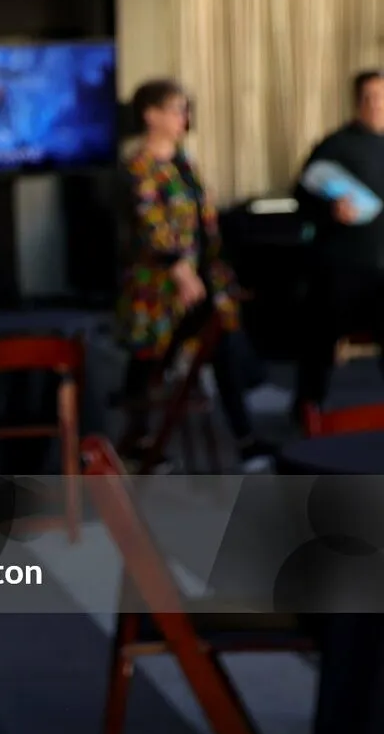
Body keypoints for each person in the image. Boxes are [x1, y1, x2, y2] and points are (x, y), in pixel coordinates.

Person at [114, 80, 274, 471]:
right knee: (151, 359)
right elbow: (151, 224)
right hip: (161, 285)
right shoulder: (139, 166)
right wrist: (181, 271)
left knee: (221, 343)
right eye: (175, 109)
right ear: (151, 115)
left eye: (185, 109)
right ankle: (138, 439)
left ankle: (244, 437)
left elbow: (202, 217)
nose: (183, 117)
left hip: (205, 273)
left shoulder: (184, 161)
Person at [291, 69, 384, 416]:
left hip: (382, 269)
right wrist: (330, 209)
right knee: (318, 340)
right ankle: (307, 407)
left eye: (381, 97)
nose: (375, 104)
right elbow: (300, 197)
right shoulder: (334, 146)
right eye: (368, 97)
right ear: (357, 102)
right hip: (340, 267)